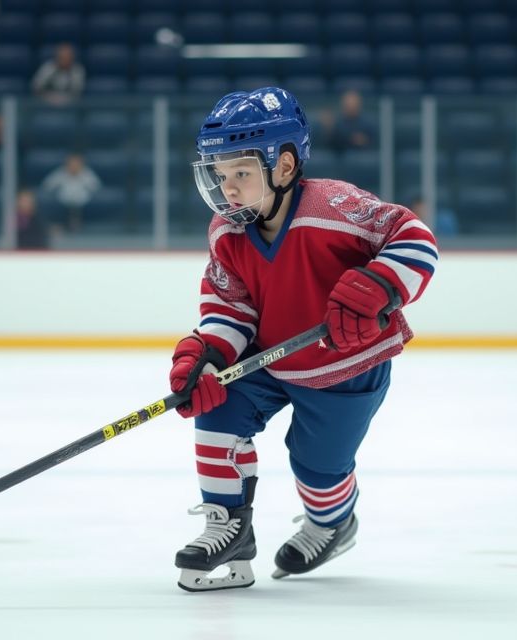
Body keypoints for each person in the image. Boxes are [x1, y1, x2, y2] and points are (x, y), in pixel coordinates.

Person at [167, 87, 439, 592]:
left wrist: (380, 285)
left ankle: (332, 523)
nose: (229, 189)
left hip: (346, 366)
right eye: (221, 175)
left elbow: (415, 238)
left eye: (241, 173)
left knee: (318, 469)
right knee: (216, 408)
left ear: (285, 165)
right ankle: (229, 526)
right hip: (267, 358)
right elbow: (230, 304)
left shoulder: (335, 205)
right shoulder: (226, 230)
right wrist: (211, 355)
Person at [40, 153, 101, 233]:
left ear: (81, 164)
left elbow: (96, 187)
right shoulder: (60, 173)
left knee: (77, 206)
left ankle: (78, 224)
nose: (74, 166)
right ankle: (65, 224)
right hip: (63, 202)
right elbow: (47, 185)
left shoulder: (87, 174)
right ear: (67, 164)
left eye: (77, 164)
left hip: (82, 202)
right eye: (71, 163)